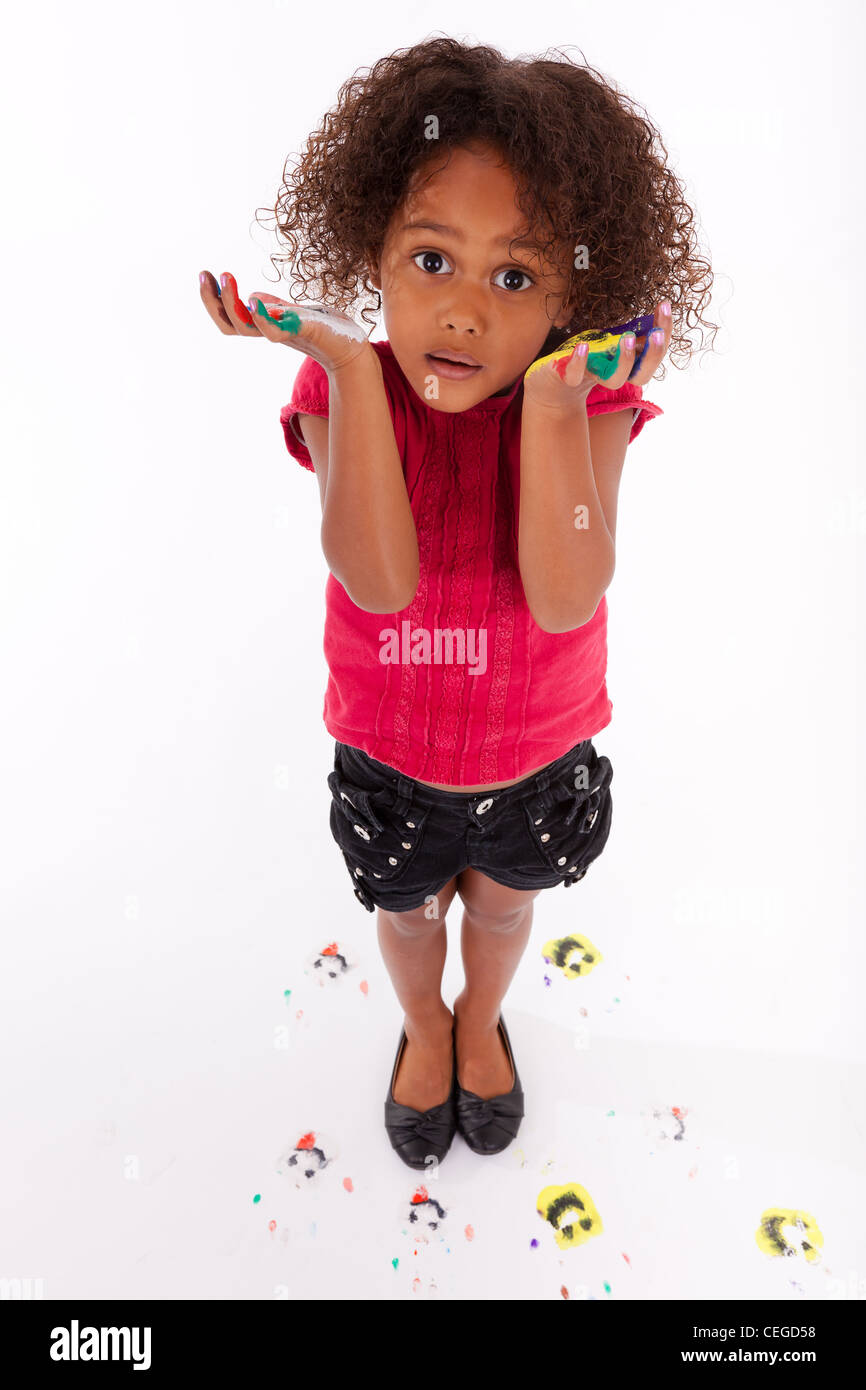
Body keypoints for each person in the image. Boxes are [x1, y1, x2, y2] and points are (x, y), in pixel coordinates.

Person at [199, 37, 715, 1171]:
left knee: (497, 911)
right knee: (409, 915)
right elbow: (378, 584)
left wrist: (550, 406)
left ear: (577, 293)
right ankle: (423, 1020)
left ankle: (479, 1018)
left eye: (516, 278)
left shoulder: (589, 400)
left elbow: (567, 591)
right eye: (431, 260)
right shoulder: (345, 382)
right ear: (372, 249)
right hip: (390, 757)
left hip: (534, 759)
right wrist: (339, 363)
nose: (466, 312)